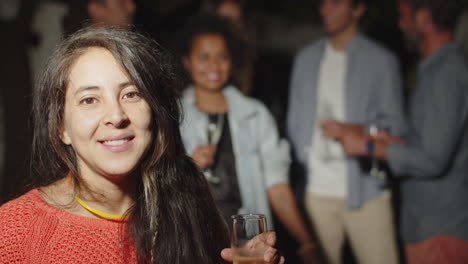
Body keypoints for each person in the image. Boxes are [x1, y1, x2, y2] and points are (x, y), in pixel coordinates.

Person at [0, 25, 283, 264]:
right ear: (62, 128)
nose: (116, 116)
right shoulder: (15, 230)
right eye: (89, 100)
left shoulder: (188, 199)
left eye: (131, 94)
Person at [178, 15, 317, 263]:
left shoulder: (255, 114)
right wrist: (187, 166)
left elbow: (277, 186)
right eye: (204, 57)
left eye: (222, 56)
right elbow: (154, 186)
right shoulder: (173, 117)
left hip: (247, 242)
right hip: (194, 240)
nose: (214, 65)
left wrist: (306, 242)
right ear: (187, 62)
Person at [340, 0, 468, 263]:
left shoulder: (446, 75)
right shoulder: (439, 70)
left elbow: (432, 160)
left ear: (423, 19)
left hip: (439, 229)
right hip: (431, 224)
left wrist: (366, 146)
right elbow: (434, 143)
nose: (400, 24)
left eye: (404, 16)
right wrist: (393, 140)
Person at [286, 0, 406, 263]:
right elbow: (295, 121)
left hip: (367, 191)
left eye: (336, 3)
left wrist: (352, 130)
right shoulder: (306, 58)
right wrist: (305, 160)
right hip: (316, 192)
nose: (325, 9)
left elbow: (396, 128)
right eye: (323, 3)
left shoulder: (381, 60)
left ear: (359, 9)